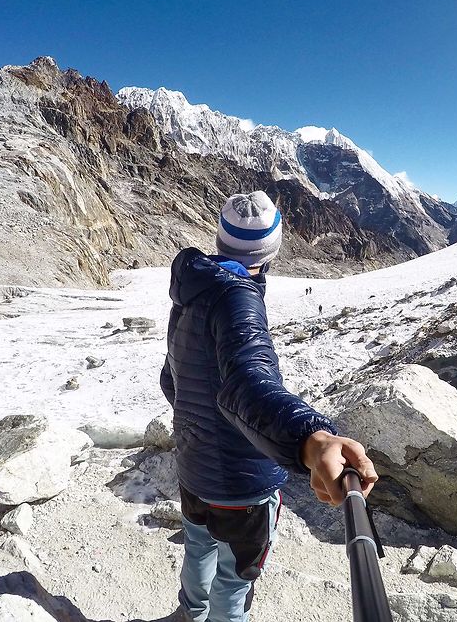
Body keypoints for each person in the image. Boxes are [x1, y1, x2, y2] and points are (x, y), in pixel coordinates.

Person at [160, 191, 378, 622]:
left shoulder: (194, 288)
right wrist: (310, 439)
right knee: (237, 576)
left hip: (193, 466)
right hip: (244, 486)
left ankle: (189, 614)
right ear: (272, 249)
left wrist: (198, 431)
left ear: (222, 239)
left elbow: (173, 379)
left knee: (198, 544)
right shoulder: (238, 299)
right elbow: (247, 382)